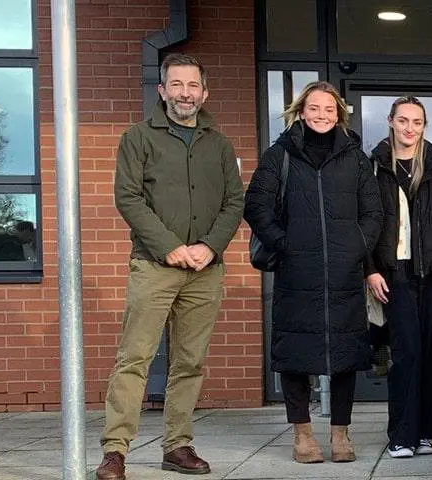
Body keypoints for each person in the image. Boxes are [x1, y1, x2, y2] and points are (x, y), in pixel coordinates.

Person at [97, 53, 244, 480]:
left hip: (205, 269)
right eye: (176, 85)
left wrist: (209, 247)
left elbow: (234, 201)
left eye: (193, 85)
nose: (185, 93)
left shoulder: (218, 143)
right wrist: (170, 247)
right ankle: (115, 451)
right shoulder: (138, 137)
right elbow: (128, 197)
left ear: (204, 92)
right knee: (134, 358)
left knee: (189, 362)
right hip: (154, 266)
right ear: (162, 91)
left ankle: (177, 446)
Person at [243, 81, 384, 464]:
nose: (322, 115)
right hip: (296, 270)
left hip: (343, 273)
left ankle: (341, 433)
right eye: (315, 108)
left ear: (339, 113)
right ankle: (302, 433)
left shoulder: (355, 157)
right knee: (295, 353)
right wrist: (285, 244)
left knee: (344, 354)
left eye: (329, 109)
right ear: (301, 111)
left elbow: (373, 212)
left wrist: (357, 246)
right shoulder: (280, 154)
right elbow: (256, 206)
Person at [368, 96, 432, 459]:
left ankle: (426, 432)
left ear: (425, 126)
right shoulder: (375, 168)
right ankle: (401, 434)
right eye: (403, 120)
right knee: (407, 352)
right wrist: (371, 269)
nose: (410, 128)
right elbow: (363, 222)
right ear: (391, 121)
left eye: (417, 122)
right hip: (396, 273)